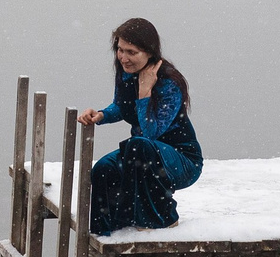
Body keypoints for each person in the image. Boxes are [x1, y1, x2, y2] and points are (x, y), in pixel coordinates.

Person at [76, 18, 203, 235]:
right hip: (141, 155)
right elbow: (122, 106)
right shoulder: (126, 73)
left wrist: (145, 91)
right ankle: (110, 230)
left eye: (131, 52)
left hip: (181, 161)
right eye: (120, 50)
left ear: (149, 52)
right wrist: (101, 115)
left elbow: (151, 133)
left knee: (138, 145)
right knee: (103, 169)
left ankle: (164, 218)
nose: (123, 58)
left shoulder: (169, 82)